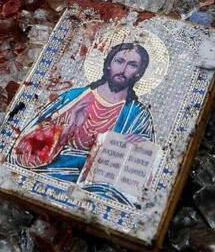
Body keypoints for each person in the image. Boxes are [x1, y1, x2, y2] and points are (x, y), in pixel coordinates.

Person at [9, 42, 154, 202]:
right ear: (108, 64)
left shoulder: (138, 115)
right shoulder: (73, 98)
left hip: (99, 188)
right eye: (119, 61)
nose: (123, 69)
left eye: (132, 65)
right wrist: (67, 128)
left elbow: (139, 177)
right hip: (48, 171)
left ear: (138, 73)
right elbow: (23, 150)